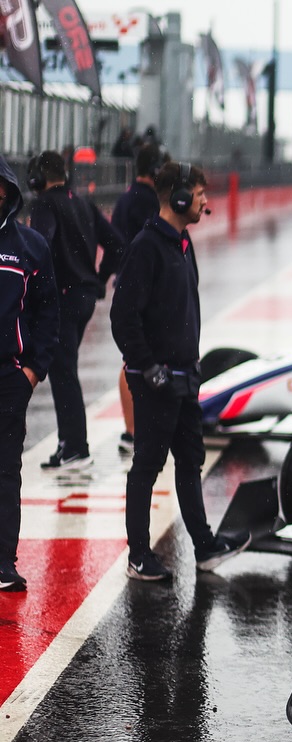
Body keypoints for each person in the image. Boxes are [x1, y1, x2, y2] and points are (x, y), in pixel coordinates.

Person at [110, 162, 249, 582]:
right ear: (180, 198)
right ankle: (138, 556)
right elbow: (123, 315)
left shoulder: (183, 243)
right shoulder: (147, 247)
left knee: (191, 461)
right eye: (200, 194)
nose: (206, 201)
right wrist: (148, 367)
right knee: (148, 465)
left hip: (187, 375)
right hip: (157, 380)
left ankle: (204, 547)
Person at [27, 150, 125, 470]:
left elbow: (40, 245)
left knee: (63, 371)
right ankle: (71, 443)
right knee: (65, 367)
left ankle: (75, 448)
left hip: (63, 298)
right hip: (83, 297)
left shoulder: (44, 204)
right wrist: (98, 278)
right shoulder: (83, 203)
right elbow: (117, 244)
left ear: (38, 178)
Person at [0, 158, 60, 592]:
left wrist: (32, 371)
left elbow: (47, 314)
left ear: (6, 191)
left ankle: (3, 561)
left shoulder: (30, 246)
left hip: (8, 378)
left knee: (5, 471)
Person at [110, 144, 163, 454]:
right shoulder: (153, 203)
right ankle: (137, 430)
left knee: (130, 360)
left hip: (126, 285)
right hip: (148, 289)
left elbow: (114, 240)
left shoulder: (125, 199)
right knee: (141, 359)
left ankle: (131, 429)